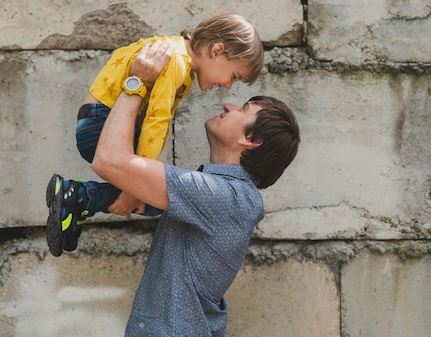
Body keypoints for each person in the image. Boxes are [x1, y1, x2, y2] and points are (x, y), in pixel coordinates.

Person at [90, 42, 300, 336]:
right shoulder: (229, 196)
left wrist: (137, 82)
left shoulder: (223, 196)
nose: (228, 104)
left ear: (251, 140)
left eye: (243, 109)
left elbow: (109, 161)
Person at [46, 14, 264, 257]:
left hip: (94, 119)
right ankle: (78, 197)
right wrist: (135, 187)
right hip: (100, 123)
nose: (228, 86)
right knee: (156, 197)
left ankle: (75, 202)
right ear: (217, 50)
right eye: (233, 76)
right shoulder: (177, 63)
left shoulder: (173, 51)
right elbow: (156, 123)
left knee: (156, 190)